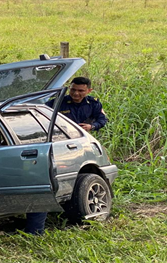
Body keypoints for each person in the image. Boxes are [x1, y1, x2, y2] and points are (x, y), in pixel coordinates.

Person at [25, 77, 107, 235]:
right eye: (73, 89)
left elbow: (102, 119)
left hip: (82, 142)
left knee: (82, 176)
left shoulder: (94, 104)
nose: (76, 93)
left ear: (89, 91)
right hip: (58, 144)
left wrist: (92, 126)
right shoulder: (58, 102)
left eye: (81, 91)